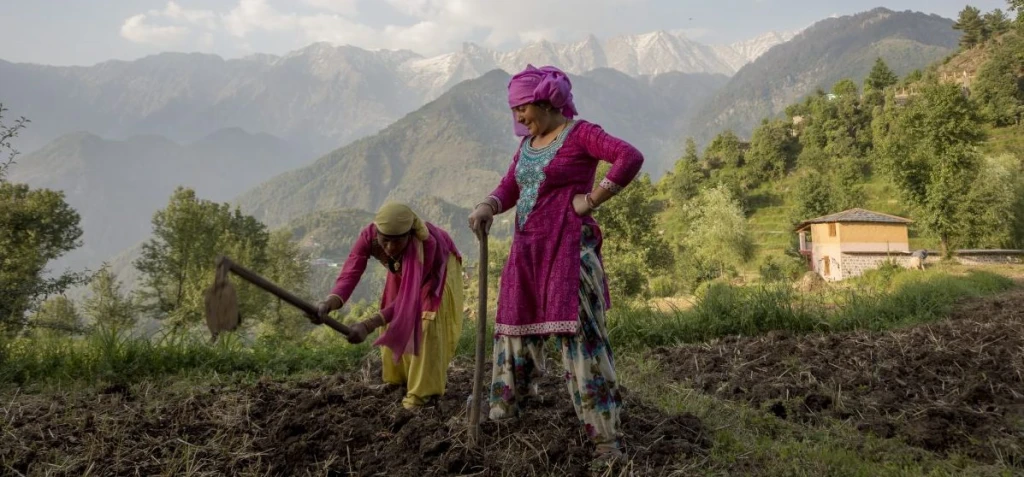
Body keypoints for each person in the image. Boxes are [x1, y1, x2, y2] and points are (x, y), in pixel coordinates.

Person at [467, 64, 644, 465]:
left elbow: (628, 157)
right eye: (514, 110)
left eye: (522, 108)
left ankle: (605, 440)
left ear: (546, 102)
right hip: (527, 251)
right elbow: (512, 184)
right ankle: (505, 416)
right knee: (513, 330)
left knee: (581, 341)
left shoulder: (581, 134)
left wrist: (592, 199)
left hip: (567, 253)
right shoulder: (529, 144)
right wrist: (488, 205)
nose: (517, 117)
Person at [316, 202, 465, 410]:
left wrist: (367, 326)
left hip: (436, 269)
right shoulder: (368, 236)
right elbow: (350, 272)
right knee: (390, 310)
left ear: (409, 235)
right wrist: (328, 304)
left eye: (397, 242)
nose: (390, 248)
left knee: (426, 322)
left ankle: (421, 394)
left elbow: (407, 302)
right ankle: (399, 378)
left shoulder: (425, 246)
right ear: (377, 233)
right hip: (401, 268)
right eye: (385, 241)